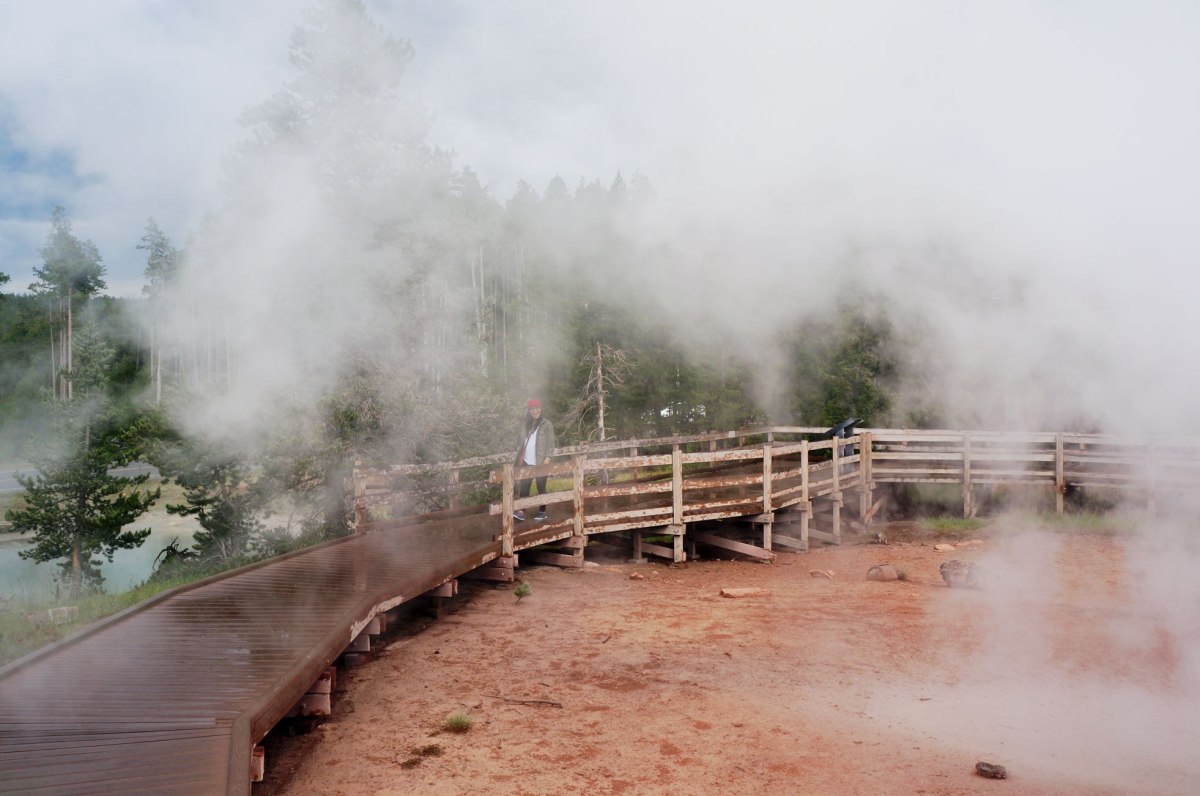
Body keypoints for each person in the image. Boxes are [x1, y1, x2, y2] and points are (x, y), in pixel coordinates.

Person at [514, 398, 556, 521]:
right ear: (529, 410)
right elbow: (521, 441)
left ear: (540, 409)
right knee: (524, 486)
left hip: (540, 461)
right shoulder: (526, 424)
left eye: (537, 408)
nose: (535, 411)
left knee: (540, 486)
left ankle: (542, 512)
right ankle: (521, 511)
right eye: (532, 409)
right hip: (527, 461)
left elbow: (551, 443)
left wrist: (548, 458)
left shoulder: (546, 424)